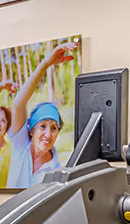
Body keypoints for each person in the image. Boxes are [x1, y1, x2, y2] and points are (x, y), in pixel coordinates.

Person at [6, 40, 78, 189]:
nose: (48, 134)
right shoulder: (20, 146)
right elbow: (18, 104)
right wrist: (46, 63)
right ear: (31, 130)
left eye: (53, 128)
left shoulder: (57, 171)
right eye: (42, 126)